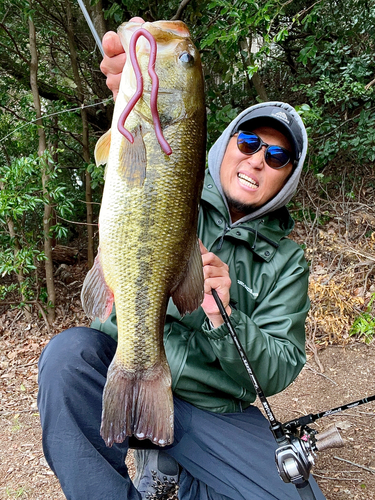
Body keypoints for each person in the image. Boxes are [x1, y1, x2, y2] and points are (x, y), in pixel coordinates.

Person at [37, 24, 326, 500]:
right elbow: (130, 119)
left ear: (288, 178)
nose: (257, 160)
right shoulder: (169, 169)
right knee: (67, 360)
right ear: (225, 144)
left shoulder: (288, 262)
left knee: (297, 497)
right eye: (250, 142)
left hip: (212, 410)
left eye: (278, 156)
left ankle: (176, 469)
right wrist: (126, 76)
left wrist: (225, 319)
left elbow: (279, 368)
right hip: (123, 370)